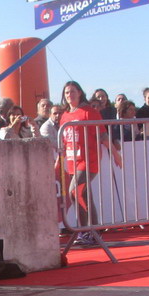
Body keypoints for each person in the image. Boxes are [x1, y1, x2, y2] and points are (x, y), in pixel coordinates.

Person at [57, 80, 123, 241]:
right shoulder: (65, 116)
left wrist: (115, 154)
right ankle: (94, 231)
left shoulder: (89, 112)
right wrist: (59, 160)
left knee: (75, 191)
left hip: (88, 160)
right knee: (84, 195)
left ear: (79, 93)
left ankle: (85, 229)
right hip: (72, 161)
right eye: (67, 92)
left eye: (72, 91)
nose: (69, 95)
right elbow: (64, 142)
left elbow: (103, 135)